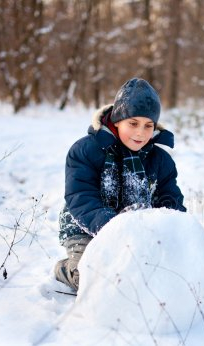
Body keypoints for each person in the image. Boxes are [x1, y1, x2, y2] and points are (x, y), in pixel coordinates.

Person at [54, 78, 186, 291]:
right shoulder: (86, 151)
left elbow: (170, 199)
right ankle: (64, 269)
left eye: (148, 125)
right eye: (133, 123)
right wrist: (115, 229)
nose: (141, 132)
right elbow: (81, 197)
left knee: (154, 277)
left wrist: (173, 231)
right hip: (85, 225)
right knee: (92, 278)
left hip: (137, 230)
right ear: (117, 121)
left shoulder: (161, 160)